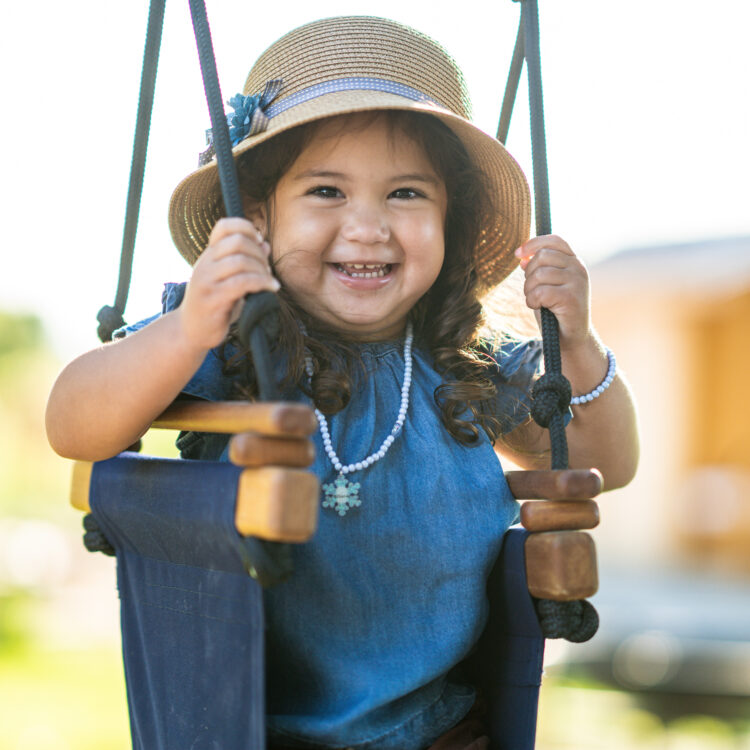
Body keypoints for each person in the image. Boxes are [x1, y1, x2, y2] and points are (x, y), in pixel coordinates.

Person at [46, 16, 639, 750]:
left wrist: (576, 342)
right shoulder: (232, 349)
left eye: (406, 194)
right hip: (255, 725)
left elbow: (605, 462)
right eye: (326, 190)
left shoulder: (466, 365)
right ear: (258, 217)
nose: (368, 226)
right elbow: (72, 422)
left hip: (443, 729)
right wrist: (186, 329)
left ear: (452, 222)